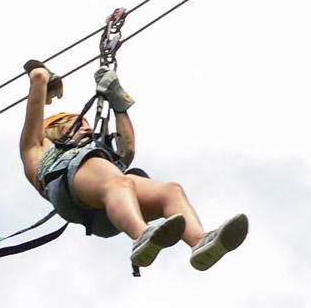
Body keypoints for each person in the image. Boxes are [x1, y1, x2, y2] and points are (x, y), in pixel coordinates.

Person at [19, 60, 247, 271]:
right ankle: (142, 235)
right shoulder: (35, 148)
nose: (87, 129)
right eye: (76, 124)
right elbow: (37, 75)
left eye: (87, 125)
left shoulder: (99, 157)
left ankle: (199, 241)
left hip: (107, 215)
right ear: (53, 129)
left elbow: (126, 153)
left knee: (170, 191)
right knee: (116, 180)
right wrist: (47, 84)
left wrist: (118, 102)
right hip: (68, 191)